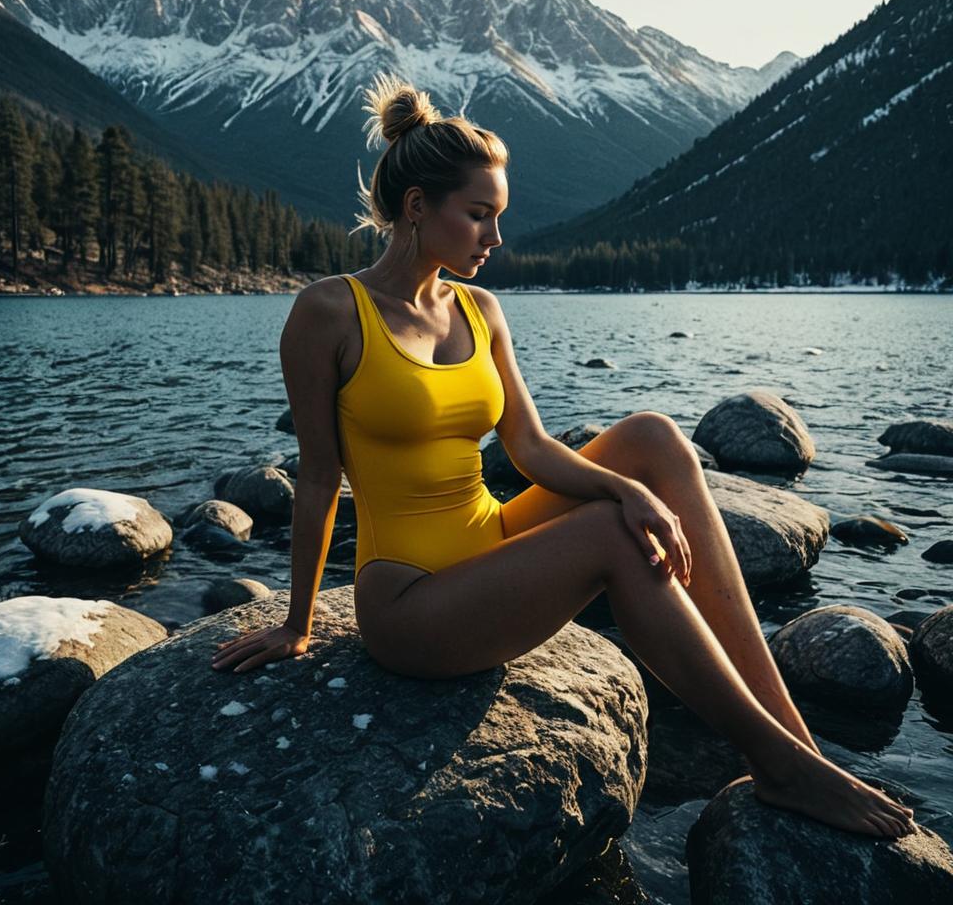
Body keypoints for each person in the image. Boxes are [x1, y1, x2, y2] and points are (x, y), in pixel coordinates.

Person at [211, 72, 916, 840]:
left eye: (498, 216)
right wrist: (297, 623)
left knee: (653, 436)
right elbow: (317, 477)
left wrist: (629, 488)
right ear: (418, 209)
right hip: (409, 600)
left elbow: (531, 446)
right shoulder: (327, 312)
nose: (495, 238)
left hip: (492, 543)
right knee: (614, 537)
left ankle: (795, 747)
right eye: (478, 215)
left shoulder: (478, 309)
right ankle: (776, 764)